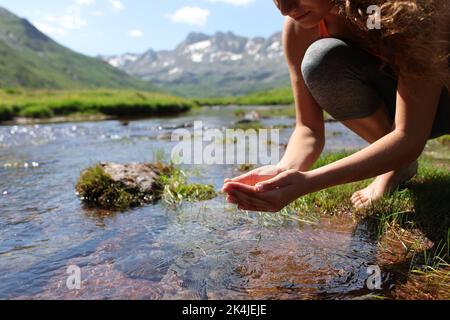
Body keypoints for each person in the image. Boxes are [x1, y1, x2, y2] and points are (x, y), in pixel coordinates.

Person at [222, 0, 450, 212]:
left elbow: (409, 137)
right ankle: (397, 164)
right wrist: (283, 171)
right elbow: (308, 130)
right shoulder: (300, 29)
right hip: (408, 114)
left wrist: (309, 182)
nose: (285, 8)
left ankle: (395, 162)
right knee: (321, 62)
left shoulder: (409, 9)